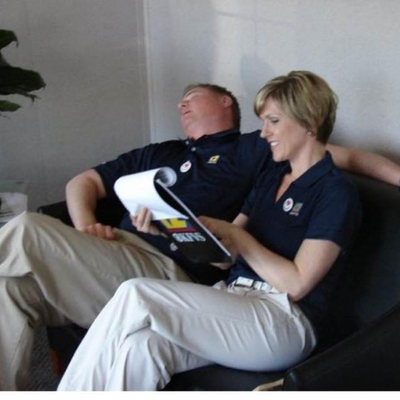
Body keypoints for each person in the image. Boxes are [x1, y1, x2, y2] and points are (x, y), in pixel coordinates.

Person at [0, 82, 398, 391]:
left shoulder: (334, 191)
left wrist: (239, 239)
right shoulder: (271, 178)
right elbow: (223, 258)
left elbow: (297, 284)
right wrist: (173, 228)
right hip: (234, 295)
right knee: (142, 347)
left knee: (135, 294)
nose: (264, 132)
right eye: (263, 122)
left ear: (308, 122)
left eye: (273, 122)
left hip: (284, 318)